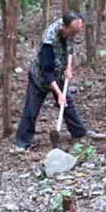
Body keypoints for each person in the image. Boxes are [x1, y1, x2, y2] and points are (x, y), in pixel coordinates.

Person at [14, 11, 89, 151]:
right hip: (40, 77)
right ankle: (22, 142)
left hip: (58, 72)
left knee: (67, 104)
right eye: (73, 31)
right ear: (64, 27)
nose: (75, 34)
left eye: (77, 31)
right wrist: (59, 93)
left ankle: (79, 132)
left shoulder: (69, 32)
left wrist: (68, 68)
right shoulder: (49, 40)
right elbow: (46, 72)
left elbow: (70, 48)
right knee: (31, 109)